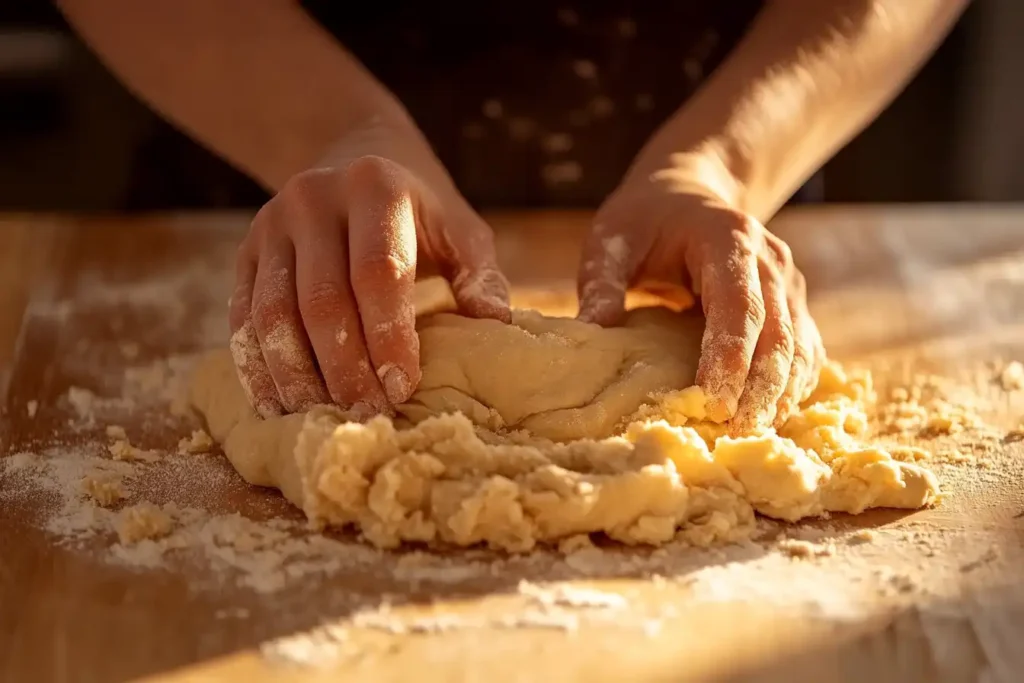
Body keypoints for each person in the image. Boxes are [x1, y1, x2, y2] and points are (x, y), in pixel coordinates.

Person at [57, 0, 967, 430]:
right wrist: (333, 129)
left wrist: (724, 160)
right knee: (315, 344)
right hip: (268, 153)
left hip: (733, 133)